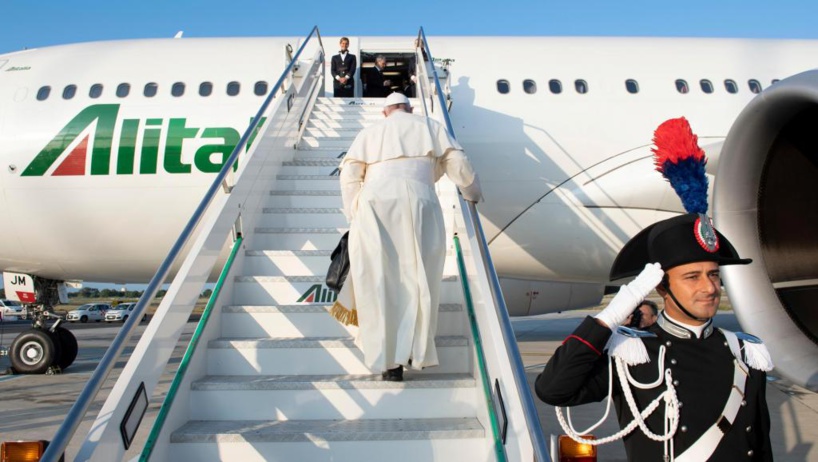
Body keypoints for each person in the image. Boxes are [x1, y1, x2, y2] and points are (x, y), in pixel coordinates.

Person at [535, 117, 773, 461]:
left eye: (713, 274)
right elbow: (553, 389)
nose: (709, 287)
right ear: (662, 287)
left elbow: (760, 445)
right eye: (692, 277)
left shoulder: (744, 352)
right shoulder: (633, 354)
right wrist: (612, 315)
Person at [334, 92, 482, 381]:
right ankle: (414, 350)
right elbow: (459, 164)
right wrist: (472, 194)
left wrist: (354, 212)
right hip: (419, 201)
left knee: (378, 279)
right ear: (410, 109)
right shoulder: (430, 126)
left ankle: (386, 359)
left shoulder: (370, 133)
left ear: (385, 112)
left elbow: (349, 175)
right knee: (418, 278)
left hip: (374, 204)